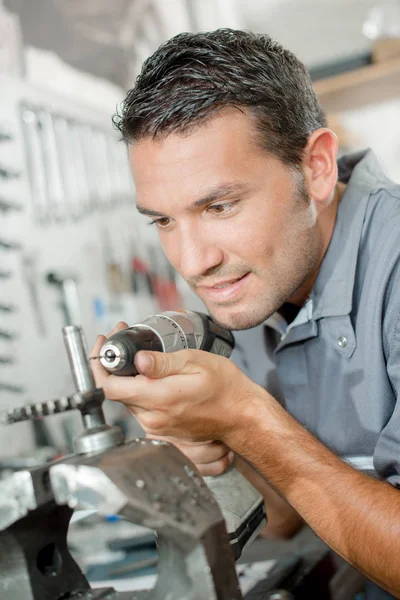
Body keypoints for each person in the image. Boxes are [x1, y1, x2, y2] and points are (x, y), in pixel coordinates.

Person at [91, 29, 400, 599]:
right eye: (162, 221)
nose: (194, 263)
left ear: (316, 168)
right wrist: (210, 431)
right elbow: (284, 517)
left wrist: (244, 417)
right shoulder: (257, 283)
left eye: (220, 205)